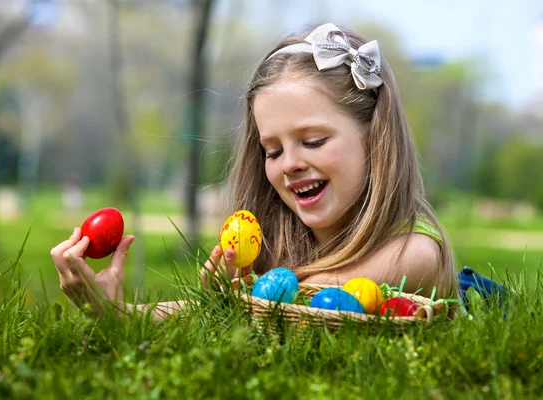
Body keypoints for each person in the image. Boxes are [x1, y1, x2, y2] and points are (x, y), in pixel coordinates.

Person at [50, 23, 458, 319]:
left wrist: (219, 304)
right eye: (272, 150)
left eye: (313, 141)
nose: (291, 164)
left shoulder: (414, 252)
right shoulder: (276, 241)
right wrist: (118, 310)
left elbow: (292, 304)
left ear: (376, 137)